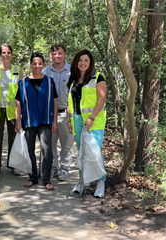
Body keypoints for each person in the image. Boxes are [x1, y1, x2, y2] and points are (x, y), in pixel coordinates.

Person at [66, 49, 107, 197]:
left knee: (95, 152)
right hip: (77, 120)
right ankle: (83, 179)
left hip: (94, 121)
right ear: (76, 62)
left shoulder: (98, 78)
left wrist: (92, 118)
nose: (83, 63)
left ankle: (101, 182)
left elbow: (102, 99)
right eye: (80, 60)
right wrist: (68, 121)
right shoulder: (74, 79)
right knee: (82, 152)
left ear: (90, 63)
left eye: (86, 60)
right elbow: (70, 102)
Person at [15, 53, 58, 190]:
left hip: (45, 120)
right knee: (29, 150)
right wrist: (17, 121)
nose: (37, 66)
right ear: (31, 65)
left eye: (40, 63)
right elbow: (18, 103)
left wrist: (55, 121)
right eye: (34, 63)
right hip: (29, 120)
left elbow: (55, 102)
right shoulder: (22, 83)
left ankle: (46, 179)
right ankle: (32, 177)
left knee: (47, 149)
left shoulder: (50, 81)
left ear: (43, 65)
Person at [0, 44, 24, 176]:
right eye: (3, 52)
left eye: (8, 52)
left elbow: (21, 92)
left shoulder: (17, 70)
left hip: (12, 109)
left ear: (12, 54)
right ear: (0, 55)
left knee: (13, 137)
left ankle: (14, 165)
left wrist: (20, 111)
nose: (6, 55)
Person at [42, 44, 73, 181]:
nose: (57, 56)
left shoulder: (73, 71)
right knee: (50, 143)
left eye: (60, 53)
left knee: (67, 143)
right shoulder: (45, 72)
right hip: (49, 114)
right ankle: (53, 166)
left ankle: (65, 168)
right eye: (54, 54)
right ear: (51, 55)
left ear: (65, 54)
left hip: (67, 113)